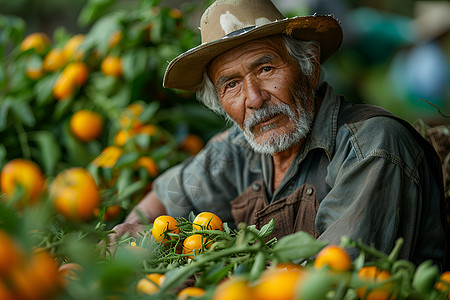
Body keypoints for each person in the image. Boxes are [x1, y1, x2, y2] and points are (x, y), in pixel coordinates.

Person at [107, 0, 448, 269]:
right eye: (231, 84)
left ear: (309, 67)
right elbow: (166, 196)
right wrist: (129, 232)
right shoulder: (236, 151)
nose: (254, 99)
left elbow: (333, 278)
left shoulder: (371, 147)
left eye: (266, 68)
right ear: (220, 103)